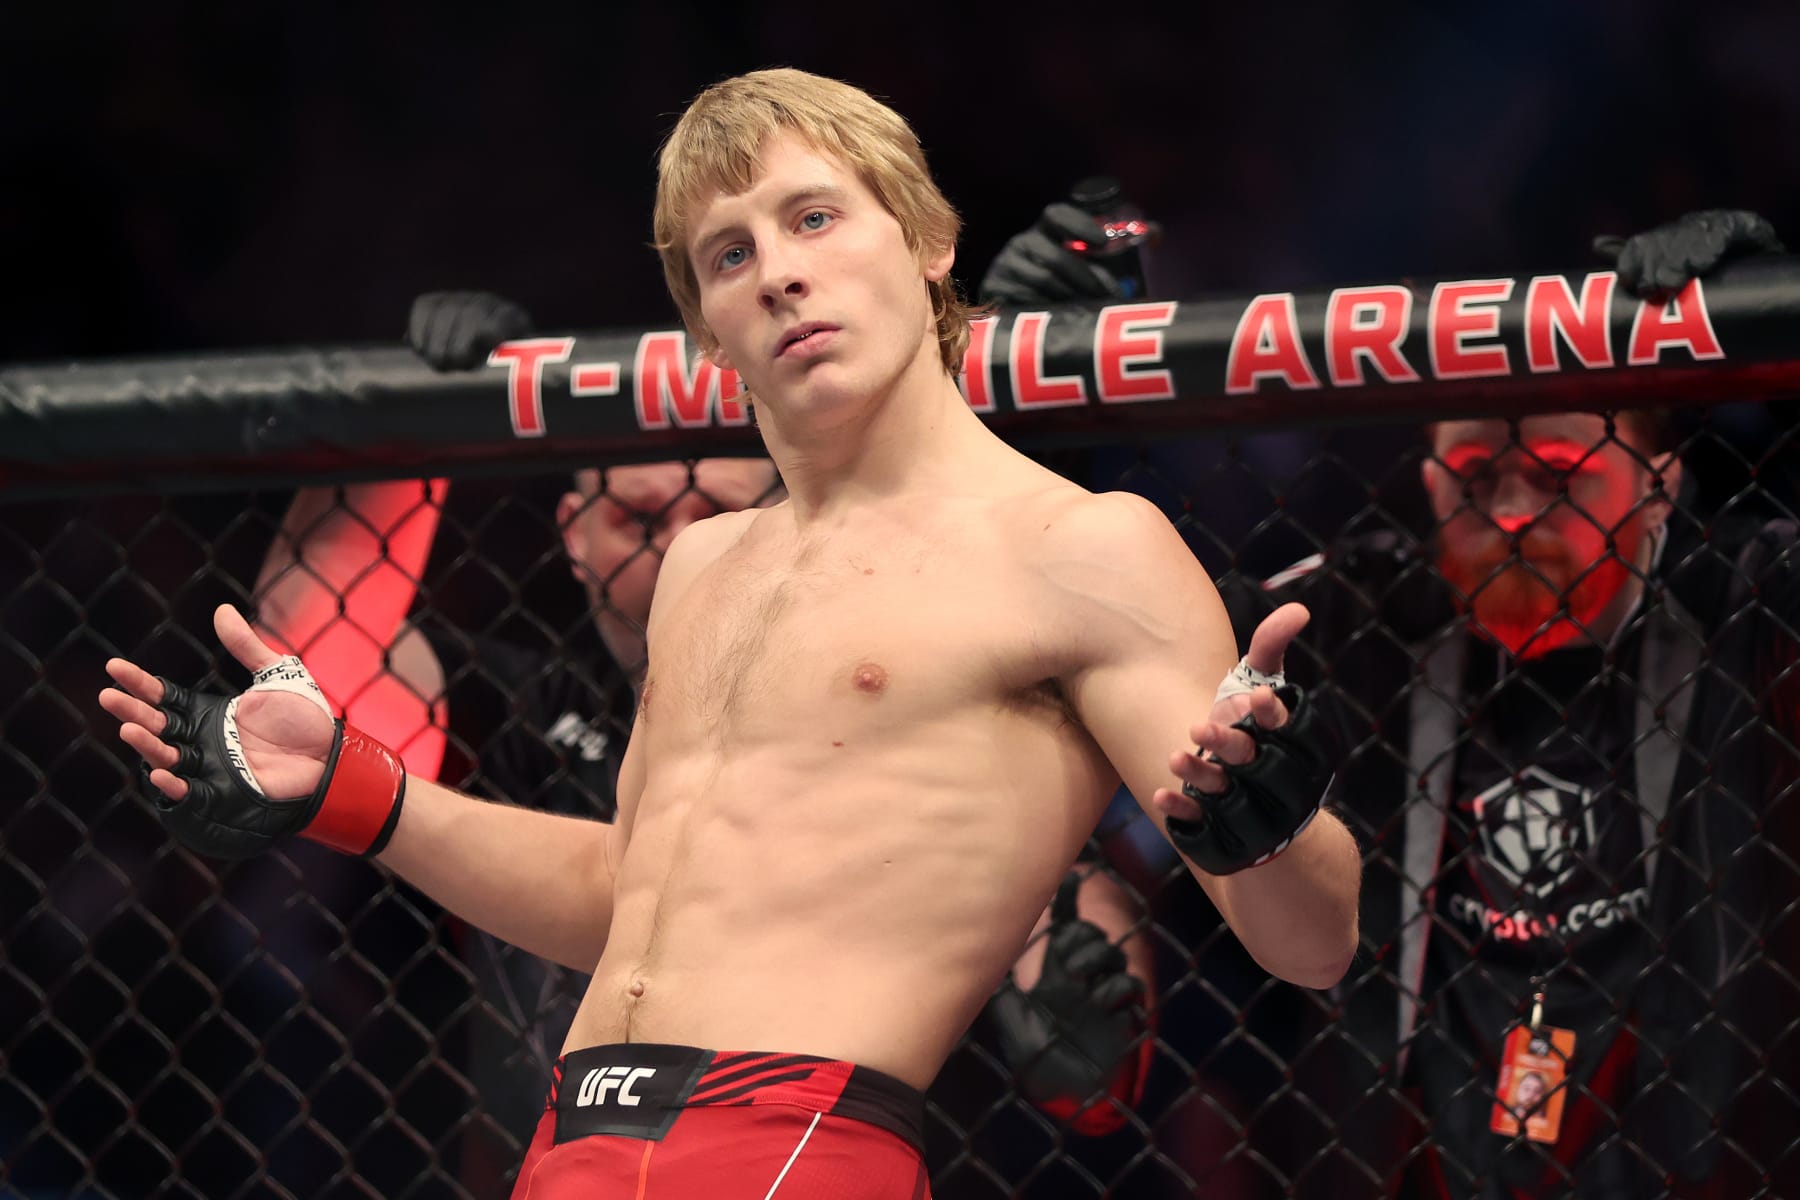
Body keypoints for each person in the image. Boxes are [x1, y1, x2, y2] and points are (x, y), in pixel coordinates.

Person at [99, 68, 1360, 1197]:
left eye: (815, 218)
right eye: (729, 253)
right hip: (570, 1140)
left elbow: (1311, 945)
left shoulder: (1081, 548)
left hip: (796, 1145)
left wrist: (1270, 822)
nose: (779, 273)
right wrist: (349, 788)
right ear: (710, 328)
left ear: (928, 240)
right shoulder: (704, 566)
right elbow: (623, 894)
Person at [982, 202, 1798, 1198]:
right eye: (1476, 475)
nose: (1511, 512)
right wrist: (1012, 410)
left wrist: (1779, 322)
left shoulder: (1748, 603)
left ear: (1661, 483)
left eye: (1558, 475)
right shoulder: (1357, 616)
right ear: (1429, 481)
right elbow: (1085, 636)